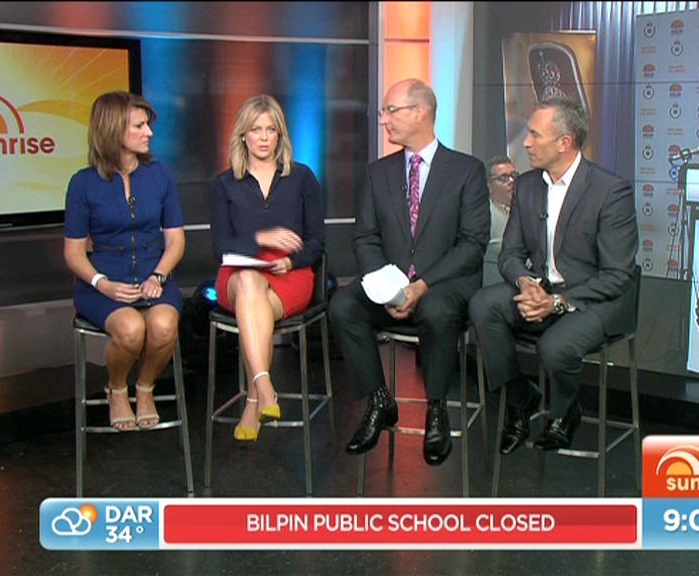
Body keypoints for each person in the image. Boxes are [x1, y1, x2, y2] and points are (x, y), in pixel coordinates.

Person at [329, 78, 489, 466]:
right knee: (343, 306)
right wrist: (388, 288)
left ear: (420, 112)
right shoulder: (378, 173)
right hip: (391, 285)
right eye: (383, 112)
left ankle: (436, 408)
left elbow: (472, 244)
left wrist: (422, 286)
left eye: (390, 111)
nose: (383, 120)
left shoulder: (466, 170)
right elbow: (365, 237)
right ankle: (379, 400)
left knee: (436, 310)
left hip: (444, 285)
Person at [468, 96, 638, 455]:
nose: (526, 143)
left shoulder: (610, 191)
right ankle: (519, 398)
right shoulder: (527, 185)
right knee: (483, 304)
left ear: (564, 142)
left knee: (554, 347)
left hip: (595, 299)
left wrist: (557, 302)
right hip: (543, 287)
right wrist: (526, 283)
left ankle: (565, 411)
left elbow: (617, 274)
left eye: (535, 135)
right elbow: (510, 253)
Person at [64, 91, 186, 432]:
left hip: (153, 275)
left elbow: (176, 241)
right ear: (113, 129)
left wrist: (158, 276)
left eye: (148, 125)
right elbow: (73, 253)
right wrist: (101, 284)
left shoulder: (160, 176)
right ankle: (117, 389)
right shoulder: (83, 184)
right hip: (102, 282)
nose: (149, 132)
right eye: (139, 125)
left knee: (163, 326)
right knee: (131, 329)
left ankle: (144, 388)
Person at [209, 94, 325, 442]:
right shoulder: (225, 184)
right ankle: (264, 388)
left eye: (270, 130)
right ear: (242, 135)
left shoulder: (302, 178)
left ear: (280, 135)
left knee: (253, 303)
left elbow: (316, 241)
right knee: (248, 282)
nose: (263, 137)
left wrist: (292, 260)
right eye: (255, 130)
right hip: (237, 273)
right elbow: (220, 247)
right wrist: (261, 237)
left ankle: (254, 398)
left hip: (289, 274)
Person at [483, 155, 517, 286]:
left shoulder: (528, 210)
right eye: (503, 178)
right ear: (489, 186)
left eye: (514, 176)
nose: (511, 181)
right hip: (495, 287)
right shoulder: (484, 216)